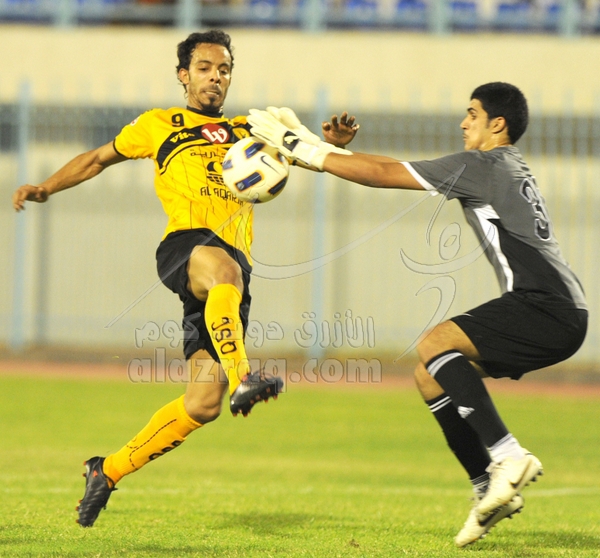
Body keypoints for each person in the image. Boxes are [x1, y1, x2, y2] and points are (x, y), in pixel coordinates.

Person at [12, 30, 358, 528]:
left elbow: (307, 158)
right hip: (186, 248)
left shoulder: (250, 129)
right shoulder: (158, 125)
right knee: (223, 271)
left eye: (224, 69)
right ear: (183, 75)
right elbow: (96, 159)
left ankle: (106, 471)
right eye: (204, 68)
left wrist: (330, 146)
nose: (215, 77)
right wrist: (46, 187)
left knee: (203, 403)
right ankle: (245, 377)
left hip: (230, 276)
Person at [247, 82, 588, 547]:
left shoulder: (483, 165)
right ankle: (487, 486)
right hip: (559, 309)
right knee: (430, 374)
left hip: (546, 306)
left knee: (435, 342)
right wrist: (318, 148)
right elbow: (383, 169)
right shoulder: (500, 166)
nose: (464, 122)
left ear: (497, 124)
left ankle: (509, 455)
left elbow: (381, 175)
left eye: (472, 114)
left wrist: (296, 144)